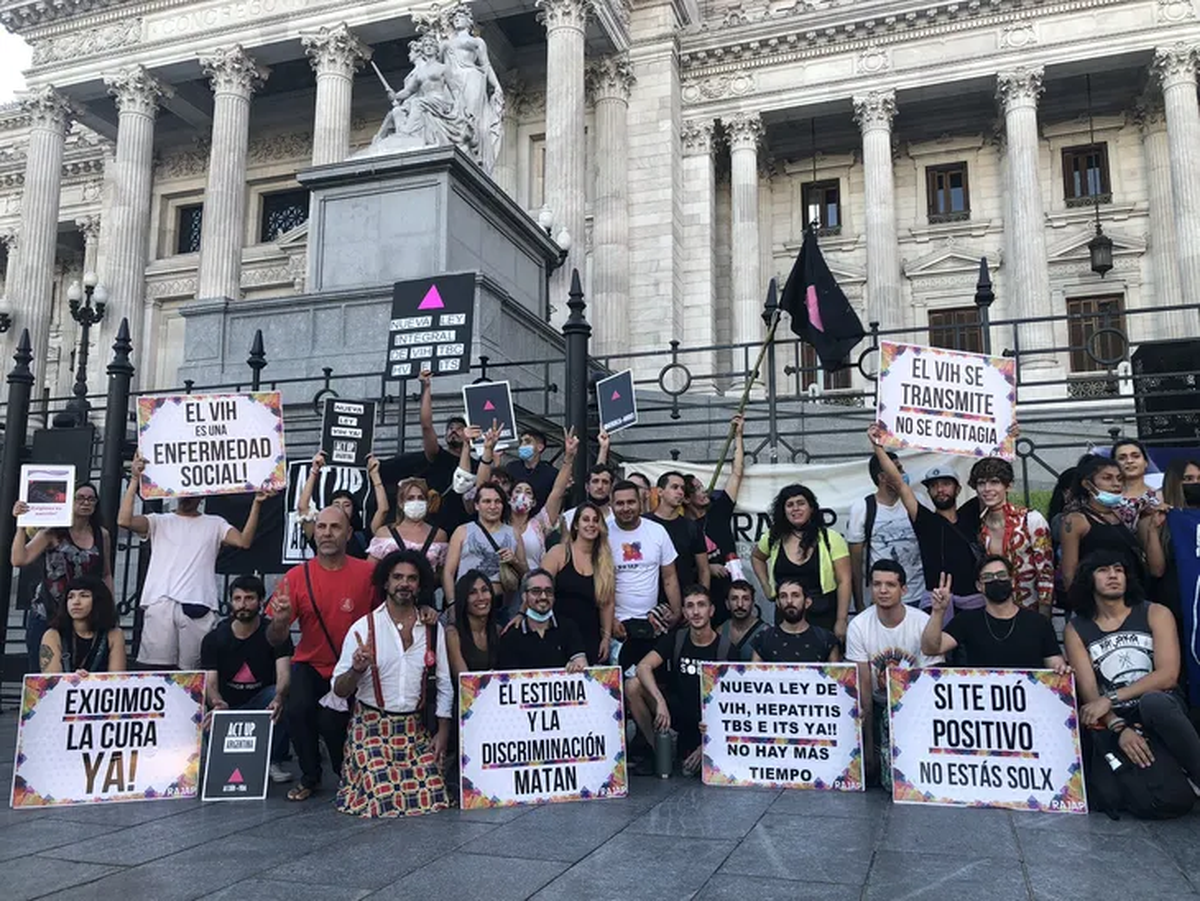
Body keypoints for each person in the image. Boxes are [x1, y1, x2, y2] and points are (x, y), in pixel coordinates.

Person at [1065, 549, 1200, 808]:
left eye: (1119, 570)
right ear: (1089, 579)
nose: (1113, 575)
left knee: (1153, 702)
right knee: (1163, 801)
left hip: (1162, 709)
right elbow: (1091, 696)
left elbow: (1168, 675)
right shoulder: (1077, 628)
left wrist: (1111, 698)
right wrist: (1119, 727)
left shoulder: (1155, 613)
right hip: (1120, 718)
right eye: (1103, 570)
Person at [267, 505, 378, 801]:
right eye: (321, 527)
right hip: (311, 663)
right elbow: (275, 638)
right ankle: (310, 776)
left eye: (335, 527)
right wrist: (280, 622)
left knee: (333, 722)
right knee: (297, 709)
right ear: (314, 532)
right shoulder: (295, 577)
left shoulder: (368, 573)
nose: (327, 533)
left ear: (349, 534)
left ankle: (346, 773)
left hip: (354, 667)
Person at [119, 452, 268, 670]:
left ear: (202, 496)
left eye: (192, 493)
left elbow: (243, 541)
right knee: (156, 670)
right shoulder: (159, 521)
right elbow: (124, 520)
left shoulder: (215, 523)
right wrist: (134, 479)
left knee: (195, 674)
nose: (187, 497)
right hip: (162, 603)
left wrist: (257, 503)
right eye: (183, 492)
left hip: (199, 604)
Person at [332, 549, 452, 818]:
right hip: (371, 730)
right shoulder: (363, 628)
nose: (404, 584)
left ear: (420, 585)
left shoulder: (433, 628)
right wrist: (356, 669)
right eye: (397, 577)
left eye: (411, 578)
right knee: (383, 798)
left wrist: (442, 732)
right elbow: (339, 690)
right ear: (385, 583)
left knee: (435, 796)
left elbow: (444, 683)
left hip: (414, 731)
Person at [844, 560, 941, 788]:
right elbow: (863, 687)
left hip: (914, 707)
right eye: (877, 584)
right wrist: (867, 747)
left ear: (904, 589)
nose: (883, 590)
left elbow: (930, 680)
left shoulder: (922, 622)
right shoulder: (858, 625)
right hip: (878, 706)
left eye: (890, 584)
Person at [867, 425, 981, 604]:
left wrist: (1005, 442)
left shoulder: (971, 512)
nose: (940, 489)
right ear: (928, 492)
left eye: (946, 484)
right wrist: (877, 446)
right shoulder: (925, 520)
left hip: (973, 601)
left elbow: (993, 482)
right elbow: (899, 483)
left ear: (958, 489)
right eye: (934, 486)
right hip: (936, 604)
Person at [633, 585, 734, 775]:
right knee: (633, 686)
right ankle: (661, 751)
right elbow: (643, 667)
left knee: (695, 771)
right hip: (677, 712)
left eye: (701, 605)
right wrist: (660, 701)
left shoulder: (727, 649)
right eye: (690, 606)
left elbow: (734, 706)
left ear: (711, 610)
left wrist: (706, 746)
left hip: (708, 722)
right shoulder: (677, 638)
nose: (695, 612)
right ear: (684, 612)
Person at [12, 482, 113, 673]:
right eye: (80, 498)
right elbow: (19, 559)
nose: (85, 502)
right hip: (49, 612)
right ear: (69, 501)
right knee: (42, 675)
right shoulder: (51, 532)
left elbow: (106, 573)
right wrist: (20, 527)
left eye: (91, 499)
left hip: (84, 616)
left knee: (81, 670)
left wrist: (109, 607)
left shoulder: (102, 535)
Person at [201, 575, 293, 783]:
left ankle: (273, 761)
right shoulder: (214, 638)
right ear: (231, 602)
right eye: (237, 599)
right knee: (210, 715)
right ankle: (224, 761)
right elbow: (210, 683)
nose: (243, 604)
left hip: (261, 703)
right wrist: (216, 703)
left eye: (249, 598)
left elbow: (284, 676)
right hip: (228, 705)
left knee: (281, 696)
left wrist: (279, 697)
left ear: (261, 602)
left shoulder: (274, 633)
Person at [921, 556, 1067, 670]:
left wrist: (1061, 669)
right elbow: (931, 648)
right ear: (979, 586)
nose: (996, 580)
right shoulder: (967, 620)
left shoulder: (1038, 622)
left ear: (1012, 581)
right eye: (988, 577)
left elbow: (1055, 663)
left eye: (1001, 575)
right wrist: (938, 611)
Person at [378, 369, 474, 537]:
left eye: (459, 429)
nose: (453, 431)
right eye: (450, 428)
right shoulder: (438, 456)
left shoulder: (476, 464)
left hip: (464, 530)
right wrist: (426, 387)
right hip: (433, 529)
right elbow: (426, 425)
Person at [751, 483, 852, 640]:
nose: (795, 508)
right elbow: (757, 557)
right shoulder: (773, 537)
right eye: (790, 505)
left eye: (801, 503)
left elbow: (844, 581)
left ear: (811, 508)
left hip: (823, 616)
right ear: (783, 511)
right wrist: (766, 587)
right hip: (786, 617)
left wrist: (841, 620)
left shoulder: (831, 538)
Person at [1060, 454, 1164, 592]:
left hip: (1133, 594)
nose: (1116, 484)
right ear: (1087, 484)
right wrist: (1079, 601)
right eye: (1107, 478)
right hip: (1098, 597)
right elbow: (1069, 572)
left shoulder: (1124, 514)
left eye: (1120, 479)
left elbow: (1155, 567)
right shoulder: (1076, 520)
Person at [608, 480, 682, 672]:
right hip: (617, 626)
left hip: (653, 623)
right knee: (619, 684)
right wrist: (609, 622)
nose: (626, 508)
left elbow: (669, 577)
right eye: (620, 503)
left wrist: (676, 612)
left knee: (652, 680)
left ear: (640, 502)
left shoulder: (657, 531)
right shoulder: (603, 534)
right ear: (611, 505)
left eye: (631, 502)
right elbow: (597, 583)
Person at [970, 456, 1054, 616]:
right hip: (994, 610)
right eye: (981, 483)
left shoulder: (1031, 520)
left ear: (1008, 486)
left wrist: (1044, 616)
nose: (987, 488)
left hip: (1030, 610)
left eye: (994, 482)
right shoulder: (979, 525)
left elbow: (1046, 572)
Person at [684, 414, 745, 623]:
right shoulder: (682, 527)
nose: (703, 491)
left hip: (732, 594)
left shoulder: (718, 511)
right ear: (685, 498)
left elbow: (737, 474)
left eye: (702, 486)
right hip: (702, 602)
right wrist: (707, 568)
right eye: (697, 489)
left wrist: (738, 435)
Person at [846, 448, 925, 610]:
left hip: (920, 595)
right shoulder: (862, 508)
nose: (903, 473)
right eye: (898, 469)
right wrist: (859, 603)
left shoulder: (919, 501)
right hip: (883, 598)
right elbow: (855, 562)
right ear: (882, 477)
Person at [541, 501, 616, 664]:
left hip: (590, 635)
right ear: (576, 525)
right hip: (557, 633)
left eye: (595, 520)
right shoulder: (559, 553)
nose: (591, 524)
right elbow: (538, 587)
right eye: (586, 519)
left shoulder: (604, 561)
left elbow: (607, 603)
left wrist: (606, 638)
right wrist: (522, 614)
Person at [443, 481, 527, 616]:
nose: (493, 506)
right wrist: (452, 604)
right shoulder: (462, 531)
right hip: (467, 602)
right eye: (487, 501)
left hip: (501, 605)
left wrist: (515, 562)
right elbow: (448, 572)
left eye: (497, 501)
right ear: (477, 505)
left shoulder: (513, 533)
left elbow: (526, 575)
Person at [509, 427, 578, 570]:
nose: (522, 496)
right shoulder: (499, 522)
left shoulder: (538, 525)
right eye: (518, 491)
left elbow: (557, 492)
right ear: (509, 497)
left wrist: (569, 457)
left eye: (528, 492)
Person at [299, 450, 385, 560]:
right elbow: (303, 508)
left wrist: (375, 474)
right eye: (336, 504)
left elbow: (383, 510)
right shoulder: (320, 533)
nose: (341, 508)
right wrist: (314, 471)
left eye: (346, 505)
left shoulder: (363, 536)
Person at [497, 570, 589, 671]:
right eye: (536, 591)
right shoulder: (511, 636)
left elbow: (582, 663)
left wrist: (576, 666)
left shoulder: (568, 627)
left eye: (548, 591)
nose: (543, 596)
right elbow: (508, 677)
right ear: (524, 596)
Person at [39, 577, 126, 673]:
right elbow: (51, 679)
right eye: (70, 597)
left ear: (98, 600)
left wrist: (88, 679)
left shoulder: (114, 634)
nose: (76, 602)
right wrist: (75, 679)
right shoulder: (52, 635)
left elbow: (116, 678)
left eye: (84, 596)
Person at [646, 470, 710, 599]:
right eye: (674, 487)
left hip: (685, 601)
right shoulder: (644, 523)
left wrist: (702, 601)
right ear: (660, 492)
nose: (680, 492)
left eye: (682, 489)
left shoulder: (692, 527)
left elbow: (703, 569)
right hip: (649, 601)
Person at [367, 477, 449, 573]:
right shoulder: (384, 533)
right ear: (401, 503)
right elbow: (369, 571)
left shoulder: (439, 535)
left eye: (420, 498)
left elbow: (442, 573)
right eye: (410, 498)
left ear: (427, 502)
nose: (416, 502)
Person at [750, 578, 842, 663]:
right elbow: (753, 673)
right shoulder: (763, 639)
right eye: (783, 596)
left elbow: (836, 674)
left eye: (795, 596)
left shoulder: (826, 639)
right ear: (778, 603)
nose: (789, 601)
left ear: (807, 602)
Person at [446, 570, 501, 677]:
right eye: (472, 593)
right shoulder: (453, 634)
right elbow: (464, 680)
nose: (481, 598)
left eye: (485, 590)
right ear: (463, 599)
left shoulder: (498, 631)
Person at [563, 431, 612, 527]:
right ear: (587, 487)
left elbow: (600, 471)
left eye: (605, 482)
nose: (600, 486)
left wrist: (604, 448)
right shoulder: (570, 517)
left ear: (611, 487)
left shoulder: (619, 518)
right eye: (595, 481)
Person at [1112, 437, 1161, 530]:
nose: (1129, 461)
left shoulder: (1161, 498)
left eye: (1136, 456)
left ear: (1146, 462)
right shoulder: (1106, 499)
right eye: (1122, 458)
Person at [504, 428, 558, 509]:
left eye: (528, 442)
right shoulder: (511, 468)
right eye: (521, 442)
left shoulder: (551, 473)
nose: (522, 445)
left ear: (540, 447)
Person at [719, 579, 769, 661]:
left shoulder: (766, 632)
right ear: (727, 604)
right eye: (734, 599)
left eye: (745, 599)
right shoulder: (720, 631)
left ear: (753, 603)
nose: (740, 604)